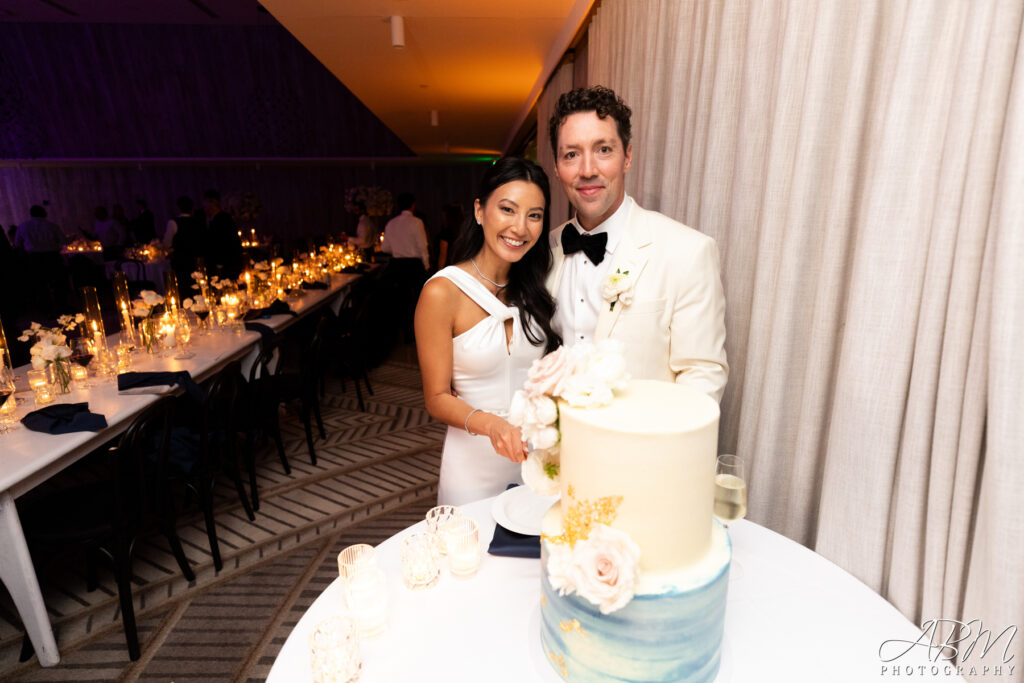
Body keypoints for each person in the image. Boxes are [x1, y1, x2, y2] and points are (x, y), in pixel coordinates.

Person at [546, 86, 728, 401]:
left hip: (643, 432)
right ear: (557, 167)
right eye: (571, 154)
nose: (587, 170)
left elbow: (702, 378)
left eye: (603, 150)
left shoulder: (688, 252)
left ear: (627, 157)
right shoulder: (545, 249)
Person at [415, 157, 561, 506]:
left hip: (536, 459)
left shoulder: (539, 285)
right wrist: (493, 425)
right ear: (479, 211)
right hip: (472, 461)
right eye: (507, 209)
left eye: (534, 215)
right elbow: (436, 398)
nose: (520, 228)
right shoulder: (442, 292)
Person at [382, 193, 430, 339]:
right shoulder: (416, 222)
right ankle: (417, 332)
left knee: (400, 300)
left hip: (397, 266)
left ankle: (404, 332)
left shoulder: (391, 223)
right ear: (413, 205)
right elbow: (422, 246)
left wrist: (398, 248)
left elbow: (385, 248)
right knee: (417, 300)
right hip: (414, 265)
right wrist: (427, 265)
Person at [202, 189, 243, 279]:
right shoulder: (217, 219)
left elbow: (223, 243)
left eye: (205, 204)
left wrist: (219, 264)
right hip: (225, 264)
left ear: (212, 203)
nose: (204, 207)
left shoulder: (222, 220)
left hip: (226, 265)